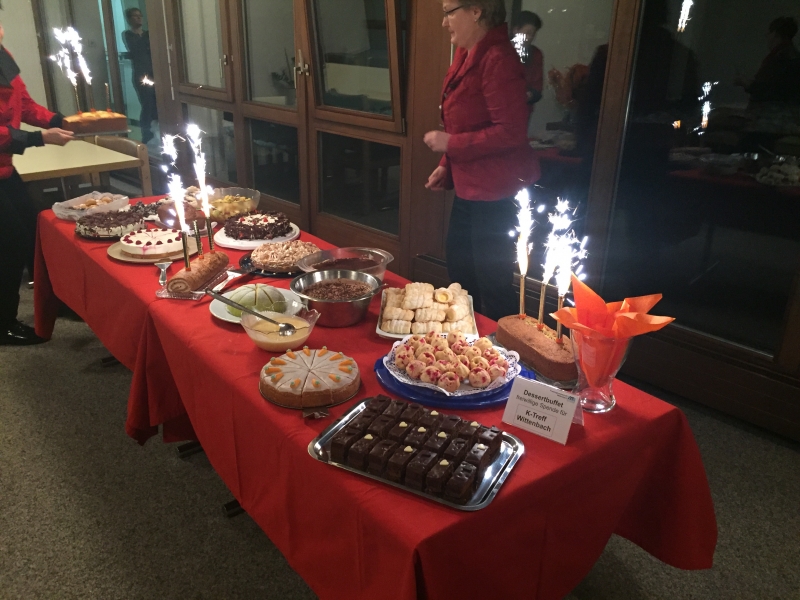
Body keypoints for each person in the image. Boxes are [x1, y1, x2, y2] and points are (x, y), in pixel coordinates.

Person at [425, 0, 538, 321]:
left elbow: (510, 132)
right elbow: (465, 121)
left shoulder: (499, 58)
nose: (445, 22)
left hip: (498, 190)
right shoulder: (467, 53)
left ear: (476, 11)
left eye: (449, 12)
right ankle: (467, 340)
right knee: (461, 272)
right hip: (470, 185)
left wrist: (450, 144)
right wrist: (446, 162)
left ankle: (506, 345)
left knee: (492, 282)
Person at [0, 20, 73, 345]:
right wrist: (39, 138)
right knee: (10, 243)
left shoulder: (3, 56)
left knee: (35, 230)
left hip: (4, 169)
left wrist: (57, 120)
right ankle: (3, 323)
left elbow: (24, 104)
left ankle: (55, 300)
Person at [734, 17, 800, 105]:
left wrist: (746, 83)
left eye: (769, 33)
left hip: (774, 110)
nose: (767, 37)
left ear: (775, 34)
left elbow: (769, 91)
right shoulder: (792, 55)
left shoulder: (779, 58)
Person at [122, 7, 158, 144]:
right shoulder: (128, 34)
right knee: (147, 104)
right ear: (129, 19)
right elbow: (135, 48)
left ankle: (155, 134)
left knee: (156, 104)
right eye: (135, 16)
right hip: (141, 75)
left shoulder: (148, 34)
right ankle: (146, 136)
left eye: (140, 15)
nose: (139, 18)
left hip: (153, 73)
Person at [511, 11, 544, 112]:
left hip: (523, 109)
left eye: (533, 34)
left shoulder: (536, 54)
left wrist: (529, 94)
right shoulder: (500, 51)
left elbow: (537, 87)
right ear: (516, 30)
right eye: (528, 33)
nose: (530, 38)